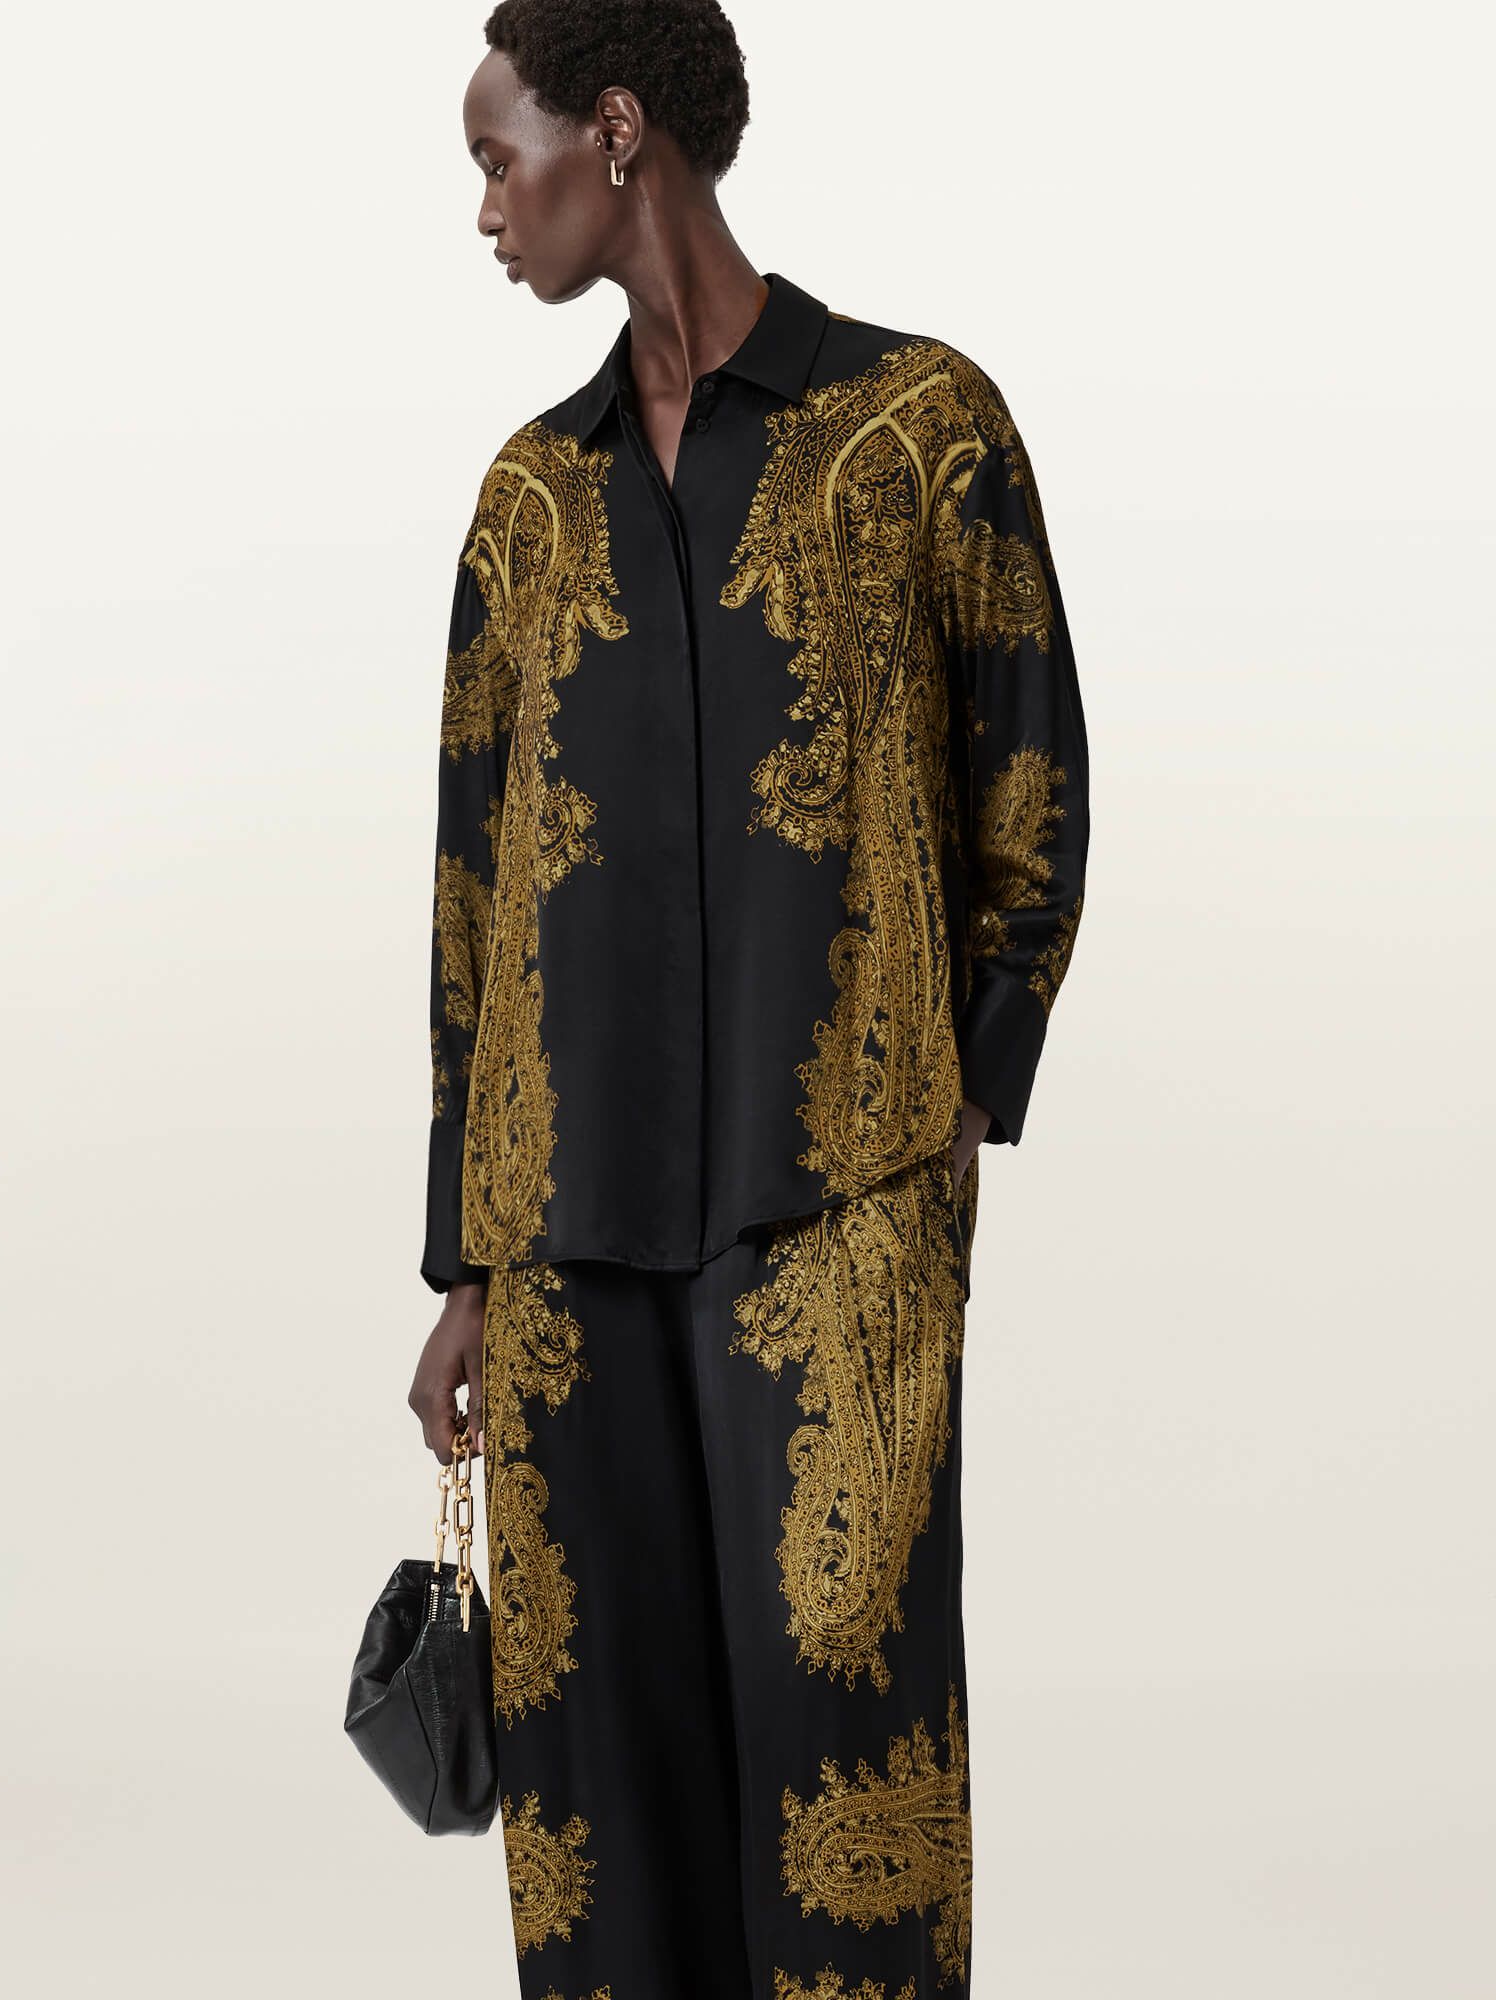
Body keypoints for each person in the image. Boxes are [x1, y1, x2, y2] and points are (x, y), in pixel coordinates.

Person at [407, 4, 1090, 1994]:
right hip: (562, 1245)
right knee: (595, 1791)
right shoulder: (528, 503)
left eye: (499, 158)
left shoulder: (919, 427)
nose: (484, 210)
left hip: (840, 1212)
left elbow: (1028, 779)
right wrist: (461, 1259)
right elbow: (470, 893)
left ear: (617, 133)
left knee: (845, 1758)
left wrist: (961, 1097)